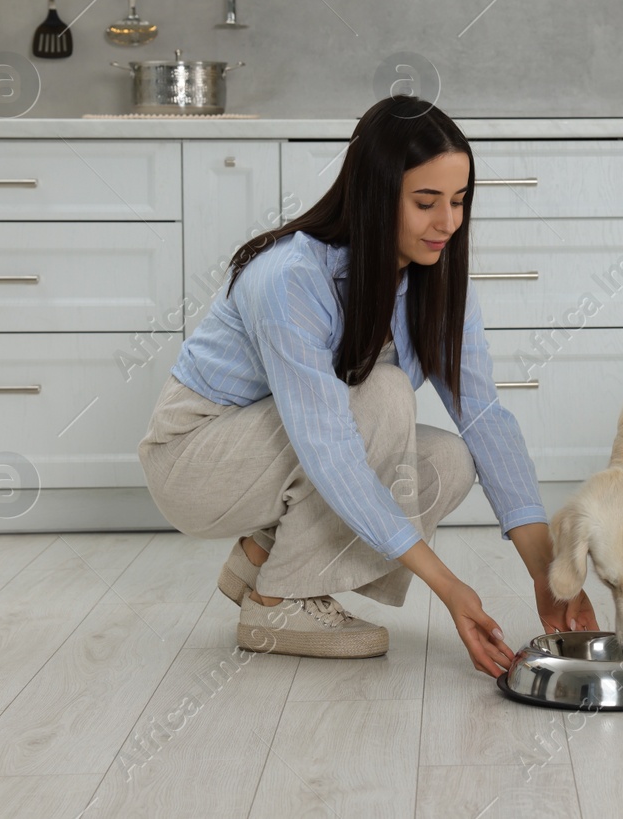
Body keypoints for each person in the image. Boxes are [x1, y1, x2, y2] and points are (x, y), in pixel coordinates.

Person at [137, 95, 596, 676]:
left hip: (280, 452)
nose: (448, 223)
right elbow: (329, 447)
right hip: (195, 458)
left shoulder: (437, 277)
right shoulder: (291, 279)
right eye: (426, 203)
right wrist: (450, 588)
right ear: (377, 196)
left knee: (449, 459)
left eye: (458, 202)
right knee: (384, 395)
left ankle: (263, 562)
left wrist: (548, 572)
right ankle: (276, 606)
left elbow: (483, 417)